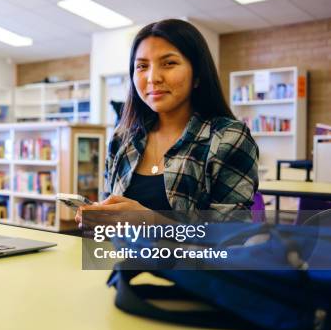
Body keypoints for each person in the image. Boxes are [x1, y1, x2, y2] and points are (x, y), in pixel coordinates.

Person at [76, 19, 259, 225]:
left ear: (197, 74)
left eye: (169, 63)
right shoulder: (122, 138)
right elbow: (112, 219)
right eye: (142, 66)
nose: (152, 78)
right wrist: (99, 220)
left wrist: (150, 222)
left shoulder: (228, 138)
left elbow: (229, 237)